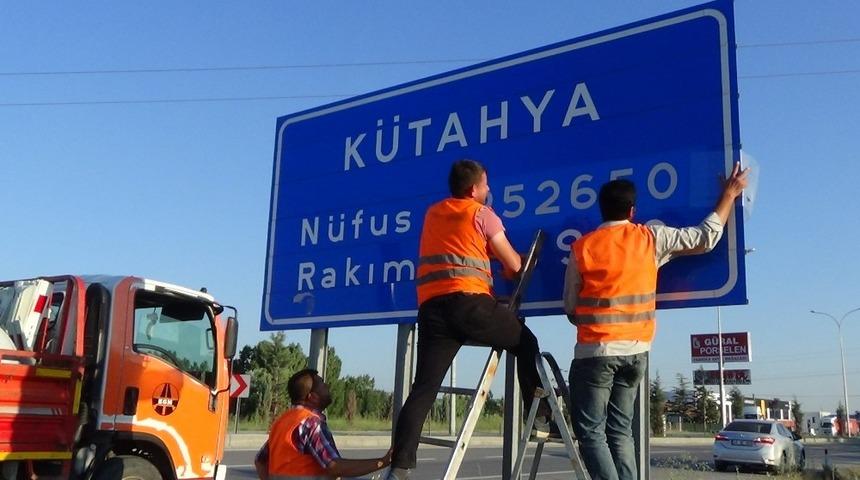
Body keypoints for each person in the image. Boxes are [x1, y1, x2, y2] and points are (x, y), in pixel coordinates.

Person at [563, 163, 749, 480]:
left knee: (591, 433)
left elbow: (570, 307)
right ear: (632, 211)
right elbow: (706, 238)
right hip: (637, 352)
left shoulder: (583, 247)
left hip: (596, 352)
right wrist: (728, 195)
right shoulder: (650, 239)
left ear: (600, 210)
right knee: (620, 433)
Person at [386, 159, 549, 480]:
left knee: (423, 388)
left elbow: (457, 250)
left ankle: (400, 468)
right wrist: (510, 265)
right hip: (469, 305)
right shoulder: (482, 214)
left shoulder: (434, 213)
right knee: (525, 342)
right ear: (474, 189)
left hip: (432, 310)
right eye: (486, 185)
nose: (489, 190)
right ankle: (540, 416)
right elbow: (515, 265)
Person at [255, 368, 392, 479]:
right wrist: (383, 462)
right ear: (312, 397)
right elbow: (334, 466)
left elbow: (260, 461)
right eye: (323, 385)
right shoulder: (310, 423)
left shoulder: (282, 422)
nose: (327, 386)